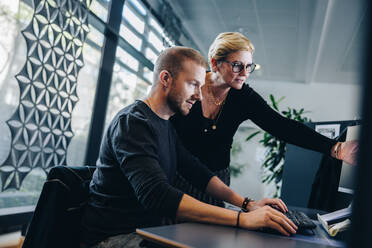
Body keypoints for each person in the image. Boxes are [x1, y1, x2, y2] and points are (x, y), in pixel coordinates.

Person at [80, 46, 297, 248]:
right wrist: (242, 219)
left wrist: (248, 204)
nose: (199, 95)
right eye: (193, 84)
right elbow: (158, 196)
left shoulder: (164, 123)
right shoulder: (133, 123)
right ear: (165, 78)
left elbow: (197, 172)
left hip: (147, 231)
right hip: (113, 238)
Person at [171, 32, 359, 207]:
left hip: (216, 182)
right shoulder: (189, 87)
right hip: (178, 175)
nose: (244, 73)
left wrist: (336, 148)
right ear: (215, 63)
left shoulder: (243, 97)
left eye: (248, 66)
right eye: (237, 65)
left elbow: (283, 127)